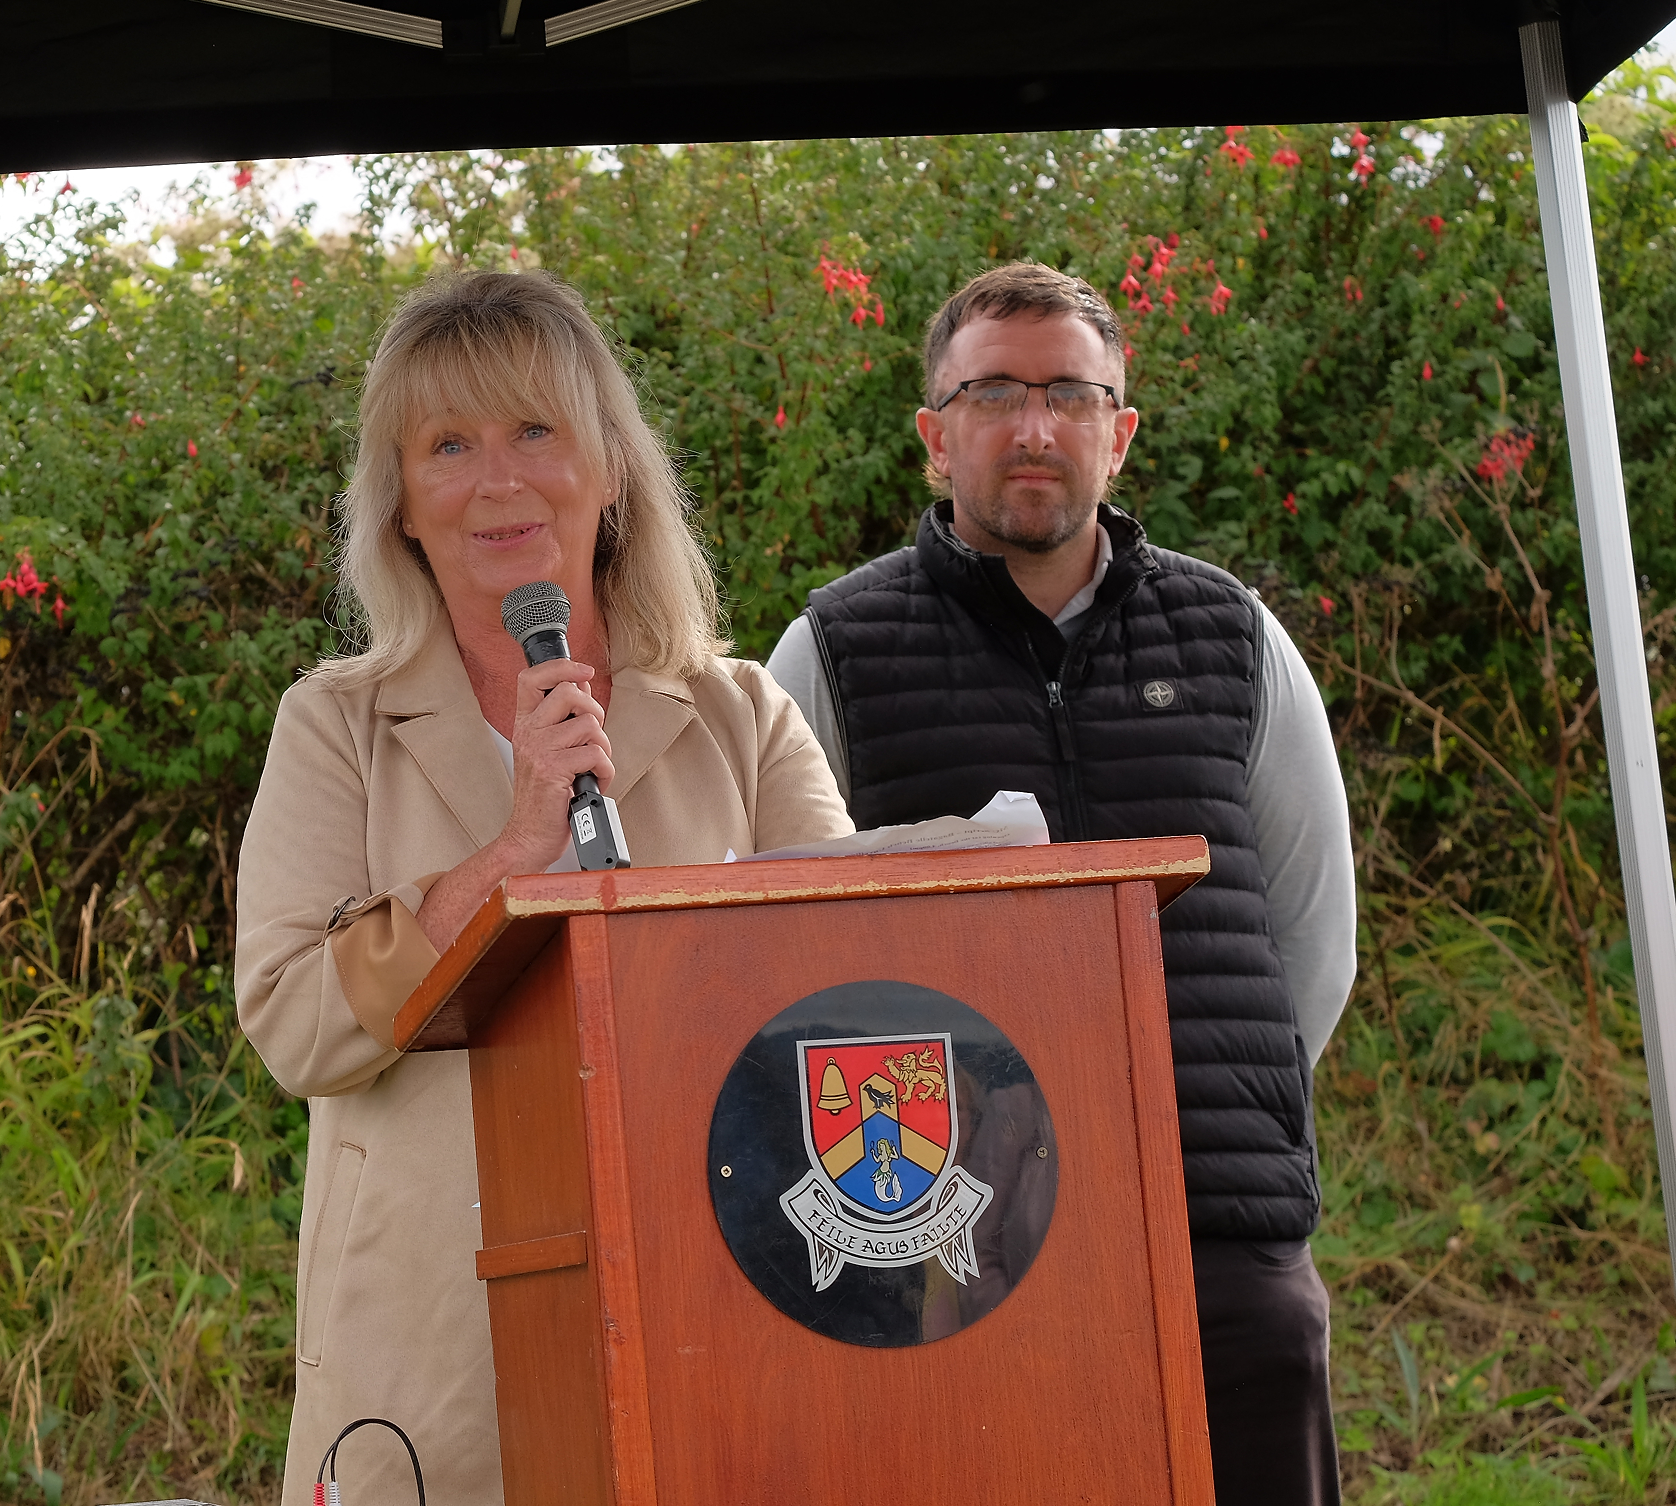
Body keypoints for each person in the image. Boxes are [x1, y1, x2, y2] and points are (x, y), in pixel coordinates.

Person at [237, 270, 851, 1506]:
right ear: (402, 503)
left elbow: (847, 989)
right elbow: (294, 1020)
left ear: (611, 468)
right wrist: (511, 853)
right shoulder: (335, 725)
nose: (497, 481)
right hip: (432, 1356)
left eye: (534, 430)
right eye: (448, 445)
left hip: (713, 1311)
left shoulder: (743, 715)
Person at [765, 261, 1356, 1506]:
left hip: (1219, 1224)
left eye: (1070, 396)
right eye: (992, 394)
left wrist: (1207, 1108)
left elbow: (1313, 937)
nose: (1034, 428)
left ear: (1118, 433)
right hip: (949, 1240)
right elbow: (777, 952)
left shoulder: (1237, 636)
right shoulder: (830, 653)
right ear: (935, 435)